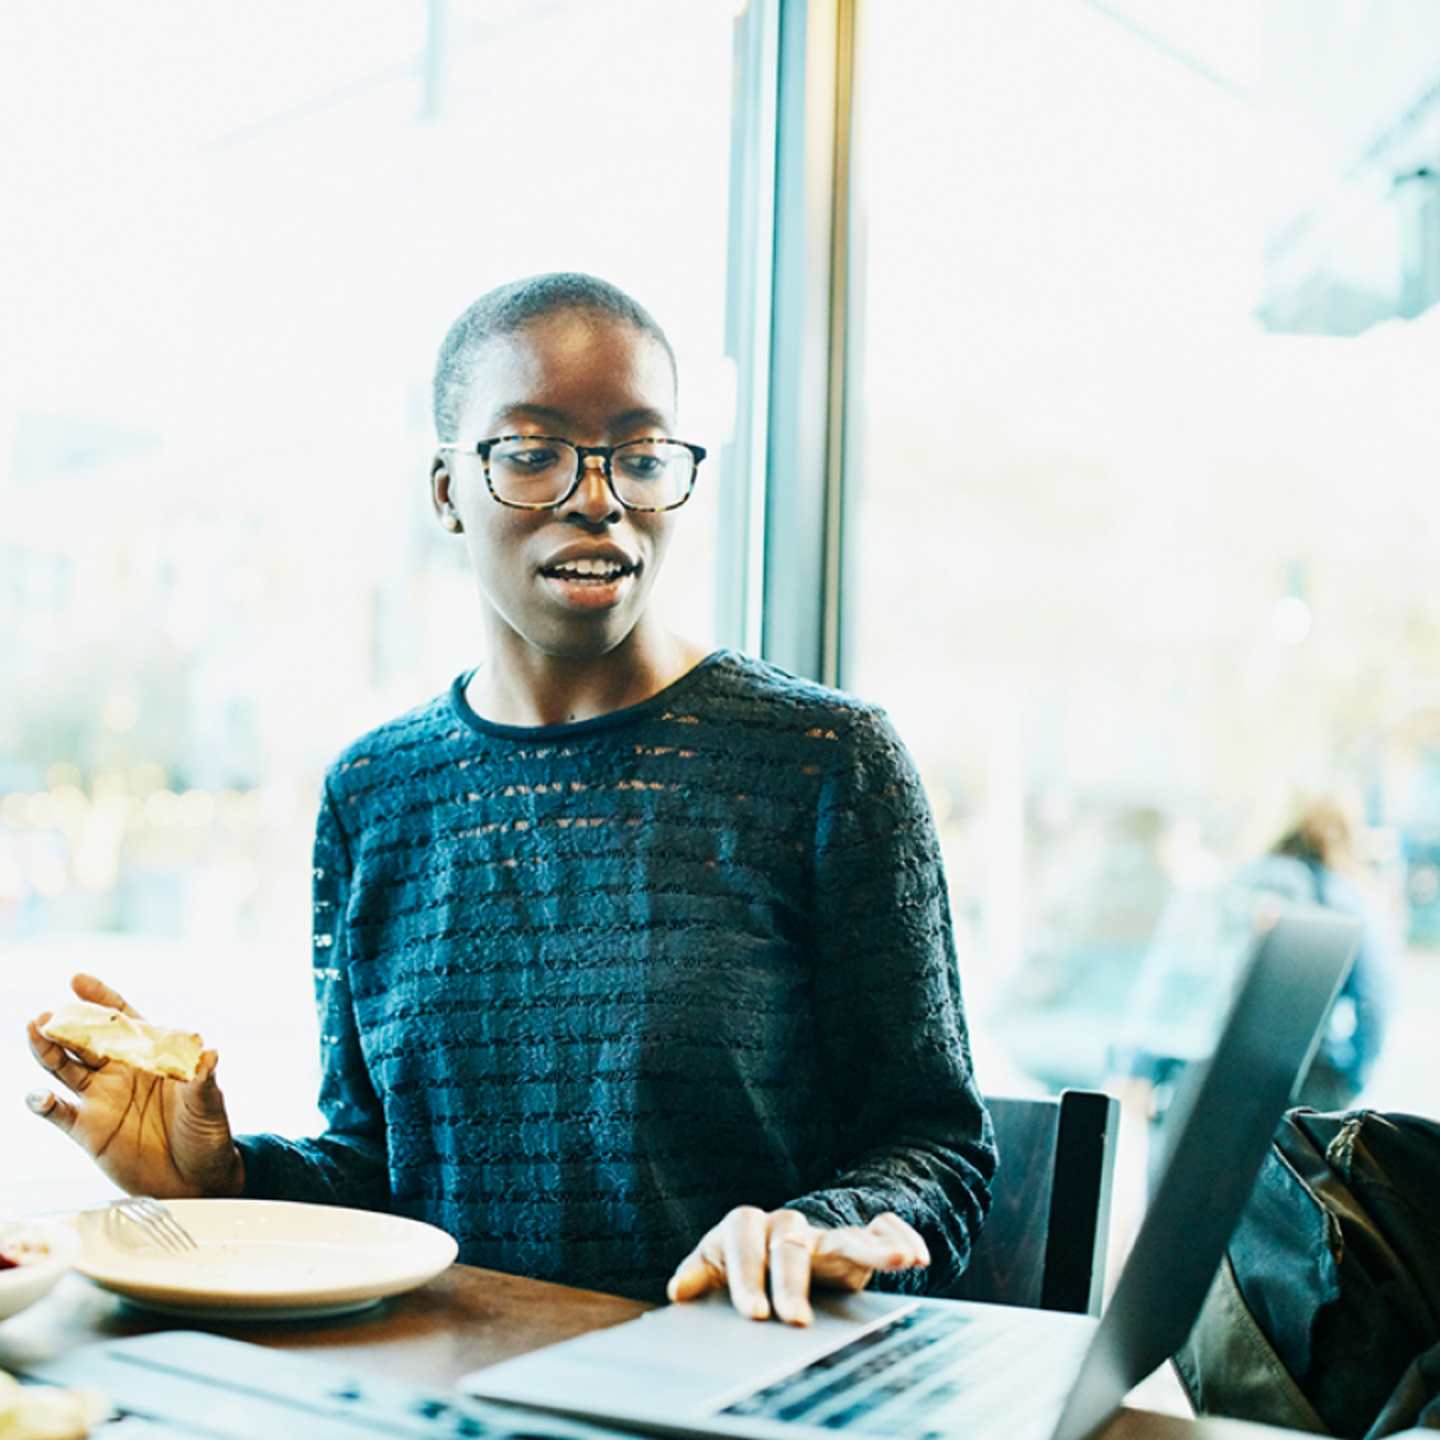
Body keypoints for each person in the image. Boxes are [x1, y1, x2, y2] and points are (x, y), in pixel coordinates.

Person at [25, 273, 995, 1324]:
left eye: (640, 454)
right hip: (450, 1393)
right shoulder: (374, 794)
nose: (597, 496)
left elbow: (936, 1147)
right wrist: (219, 1183)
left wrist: (822, 1225)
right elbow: (379, 1175)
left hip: (736, 1386)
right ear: (446, 490)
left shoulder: (824, 760)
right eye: (531, 452)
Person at [1238, 798, 1394, 1111]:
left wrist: (1144, 1068)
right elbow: (1374, 997)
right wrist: (1352, 1076)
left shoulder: (1242, 881)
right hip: (1306, 1070)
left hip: (1225, 1064)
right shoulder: (1344, 897)